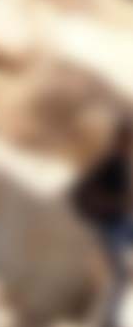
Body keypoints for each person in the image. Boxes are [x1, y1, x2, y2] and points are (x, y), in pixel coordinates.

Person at [71, 119, 132, 327]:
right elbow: (80, 194)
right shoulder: (108, 164)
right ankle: (108, 320)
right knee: (118, 274)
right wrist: (113, 204)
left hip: (121, 222)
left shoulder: (121, 164)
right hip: (109, 226)